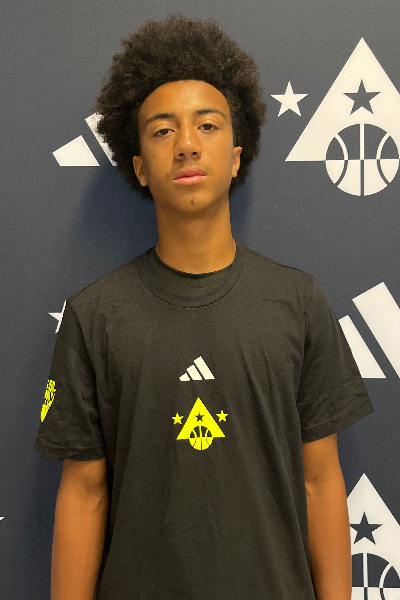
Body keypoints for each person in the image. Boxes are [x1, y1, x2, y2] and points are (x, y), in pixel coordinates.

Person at [34, 14, 374, 600]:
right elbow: (84, 493)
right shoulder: (94, 317)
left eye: (208, 125)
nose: (187, 143)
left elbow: (320, 482)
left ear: (237, 156)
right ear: (139, 167)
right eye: (162, 130)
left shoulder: (299, 303)